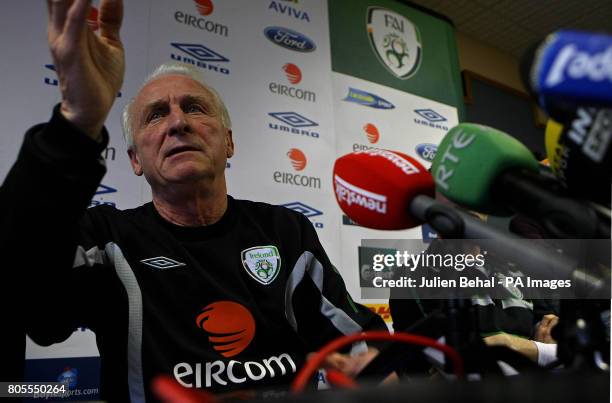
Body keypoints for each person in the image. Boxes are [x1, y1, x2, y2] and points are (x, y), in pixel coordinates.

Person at [1, 0, 385, 401]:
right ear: (134, 160)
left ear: (229, 141)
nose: (178, 122)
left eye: (194, 108)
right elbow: (29, 301)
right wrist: (76, 122)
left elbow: (357, 340)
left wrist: (376, 367)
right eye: (154, 116)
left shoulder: (286, 232)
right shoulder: (105, 240)